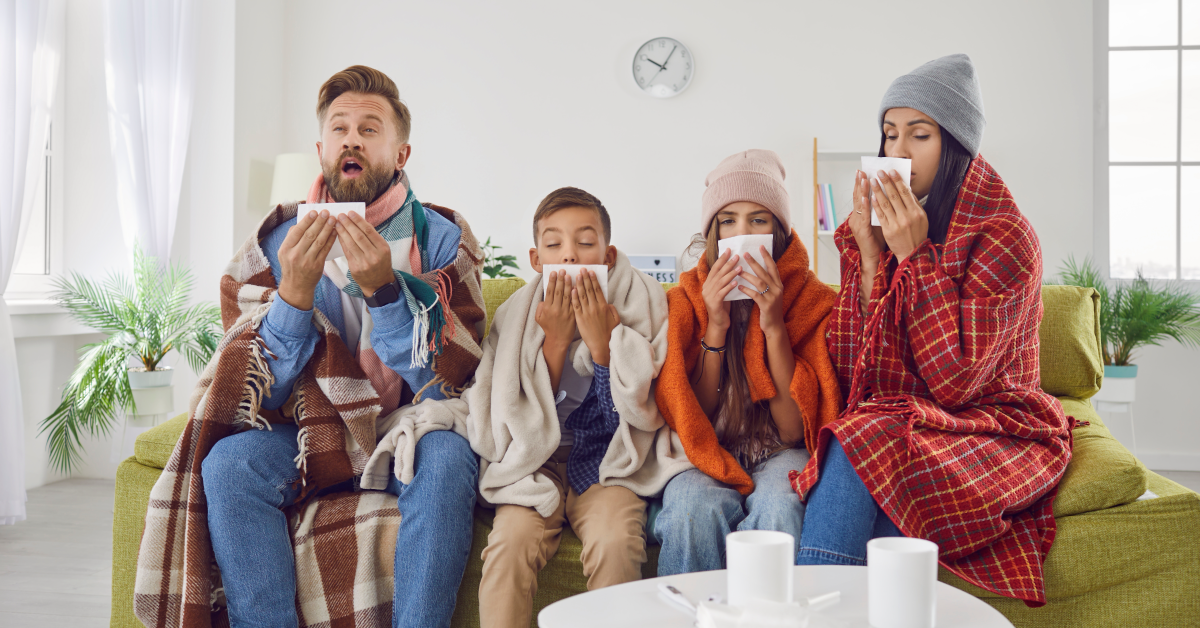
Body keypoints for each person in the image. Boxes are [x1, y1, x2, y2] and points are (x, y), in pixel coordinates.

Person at [135, 65, 487, 628]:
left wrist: (386, 295)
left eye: (370, 129)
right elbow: (255, 391)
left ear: (401, 154)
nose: (352, 138)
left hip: (405, 428)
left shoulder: (442, 238)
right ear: (322, 149)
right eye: (340, 128)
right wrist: (294, 297)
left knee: (448, 456)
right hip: (310, 434)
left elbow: (452, 381)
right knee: (229, 464)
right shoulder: (275, 242)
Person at [791, 54, 1073, 607]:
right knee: (871, 437)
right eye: (889, 135)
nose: (897, 152)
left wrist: (914, 257)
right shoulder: (901, 221)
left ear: (956, 147)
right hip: (909, 417)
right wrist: (870, 260)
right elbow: (851, 373)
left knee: (865, 440)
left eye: (918, 135)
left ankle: (812, 611)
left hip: (993, 422)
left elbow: (956, 385)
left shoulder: (1007, 238)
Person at [455, 187, 692, 628]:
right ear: (535, 259)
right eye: (554, 245)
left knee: (616, 542)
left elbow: (641, 416)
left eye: (585, 243)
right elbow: (506, 415)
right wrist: (558, 343)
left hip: (609, 461)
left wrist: (604, 347)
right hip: (534, 463)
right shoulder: (514, 315)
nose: (570, 257)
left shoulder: (642, 302)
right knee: (508, 547)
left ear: (607, 254)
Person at [652, 150, 842, 576]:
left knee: (781, 507)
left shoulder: (812, 301)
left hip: (781, 449)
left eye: (758, 220)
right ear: (713, 231)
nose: (742, 232)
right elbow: (694, 420)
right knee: (690, 510)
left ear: (778, 231)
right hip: (708, 450)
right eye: (728, 220)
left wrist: (773, 325)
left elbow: (795, 430)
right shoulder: (684, 302)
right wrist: (715, 324)